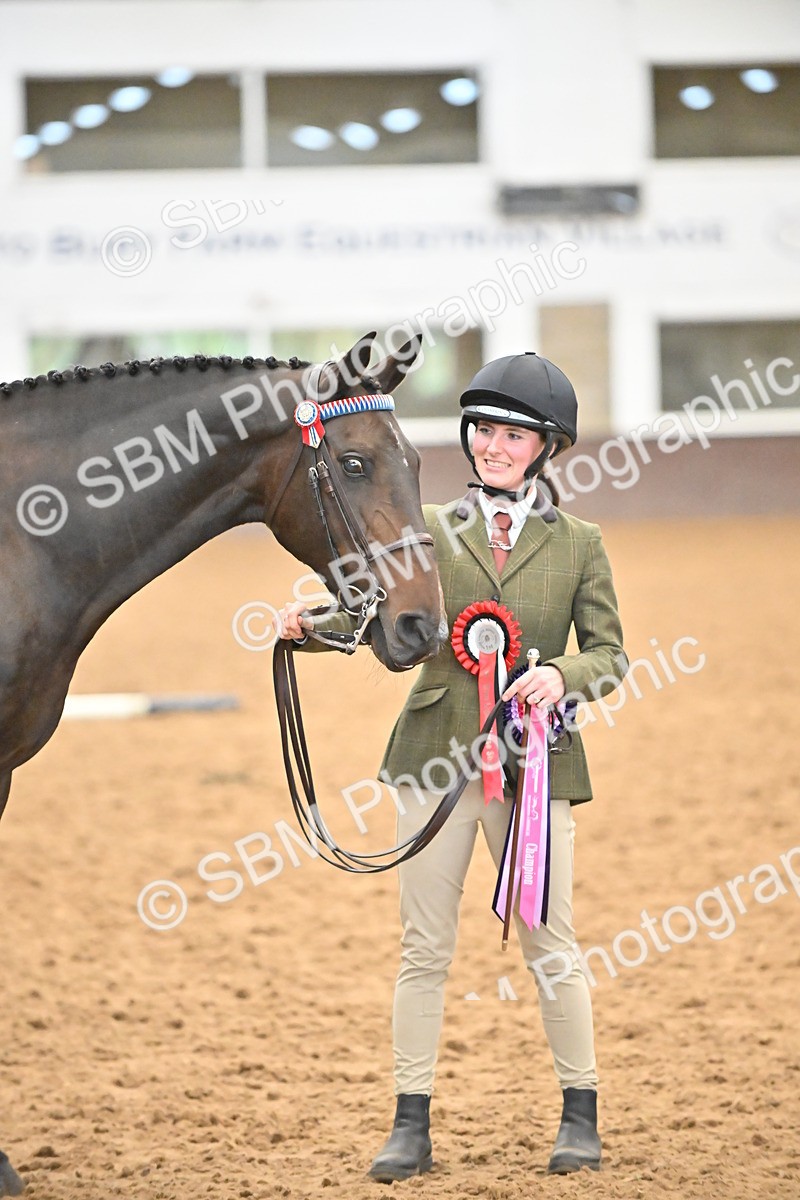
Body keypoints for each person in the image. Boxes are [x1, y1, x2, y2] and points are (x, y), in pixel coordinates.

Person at [278, 352, 627, 1181]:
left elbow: (610, 655)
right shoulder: (428, 528)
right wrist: (308, 626)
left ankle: (581, 1113)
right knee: (424, 946)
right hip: (435, 762)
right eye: (484, 432)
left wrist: (559, 676)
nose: (494, 447)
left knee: (553, 941)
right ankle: (410, 1123)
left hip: (536, 764)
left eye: (514, 435)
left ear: (546, 448)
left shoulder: (579, 544)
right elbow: (369, 608)